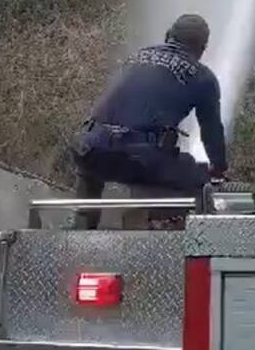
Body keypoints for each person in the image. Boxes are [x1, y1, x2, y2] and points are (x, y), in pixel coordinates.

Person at [72, 13, 228, 229]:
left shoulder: (135, 57)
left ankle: (82, 230)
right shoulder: (203, 77)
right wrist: (218, 168)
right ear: (202, 48)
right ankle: (160, 228)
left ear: (167, 36)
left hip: (88, 146)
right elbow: (211, 132)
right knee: (196, 176)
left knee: (91, 165)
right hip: (136, 156)